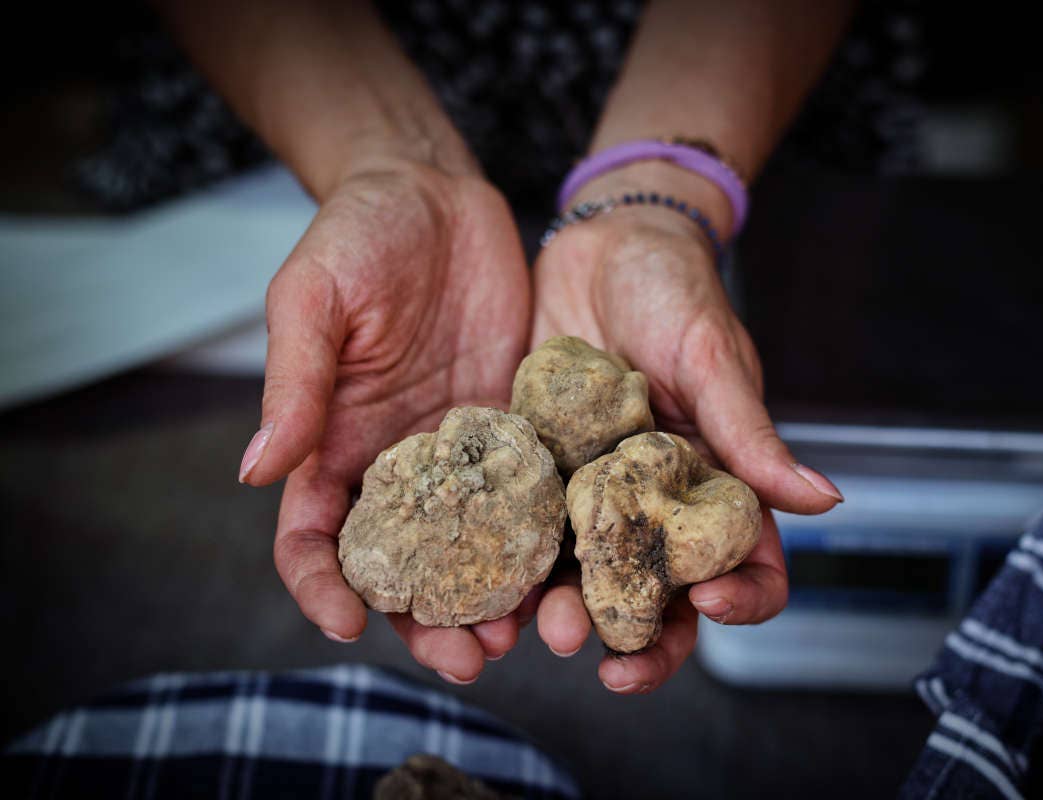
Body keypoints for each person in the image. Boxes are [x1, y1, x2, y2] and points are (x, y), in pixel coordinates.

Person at [156, 0, 859, 693]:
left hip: (733, 83)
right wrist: (392, 167)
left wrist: (654, 202)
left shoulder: (615, 468)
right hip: (315, 78)